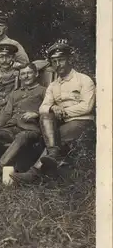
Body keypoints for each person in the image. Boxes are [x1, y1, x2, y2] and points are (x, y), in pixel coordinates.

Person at [10, 42, 96, 184]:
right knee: (46, 116)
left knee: (55, 137)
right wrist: (52, 108)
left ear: (69, 59)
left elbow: (87, 106)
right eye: (54, 61)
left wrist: (63, 111)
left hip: (81, 121)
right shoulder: (53, 85)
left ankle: (34, 173)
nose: (58, 64)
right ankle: (53, 156)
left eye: (61, 60)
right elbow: (43, 108)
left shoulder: (84, 79)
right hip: (59, 122)